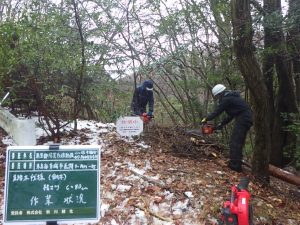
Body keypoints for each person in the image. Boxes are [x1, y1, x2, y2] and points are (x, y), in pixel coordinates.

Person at [201, 84, 253, 172]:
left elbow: (217, 111)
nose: (217, 98)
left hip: (244, 118)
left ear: (220, 93)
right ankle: (236, 163)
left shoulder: (227, 99)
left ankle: (235, 165)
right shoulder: (231, 98)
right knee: (237, 141)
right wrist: (221, 124)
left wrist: (206, 119)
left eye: (217, 96)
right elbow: (230, 116)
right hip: (245, 117)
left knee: (235, 141)